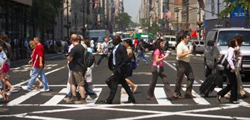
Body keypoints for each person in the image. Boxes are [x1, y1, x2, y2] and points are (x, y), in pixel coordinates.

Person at [100, 36, 136, 104]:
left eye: (113, 40)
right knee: (125, 85)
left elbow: (126, 59)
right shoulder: (115, 47)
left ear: (117, 41)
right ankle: (132, 98)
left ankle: (109, 100)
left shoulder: (121, 48)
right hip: (116, 68)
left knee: (111, 82)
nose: (112, 41)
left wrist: (120, 67)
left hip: (119, 69)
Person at [66, 34, 87, 104]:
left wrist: (67, 57)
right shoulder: (81, 47)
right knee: (72, 83)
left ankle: (83, 98)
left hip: (77, 68)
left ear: (71, 40)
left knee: (80, 83)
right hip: (79, 67)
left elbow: (70, 58)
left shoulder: (74, 48)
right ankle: (74, 97)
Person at [174, 31, 195, 99]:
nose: (189, 39)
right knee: (179, 79)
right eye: (187, 38)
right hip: (181, 63)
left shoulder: (186, 45)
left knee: (191, 77)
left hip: (186, 63)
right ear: (183, 38)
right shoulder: (180, 45)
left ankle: (188, 92)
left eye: (189, 38)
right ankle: (177, 93)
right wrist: (188, 52)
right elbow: (179, 55)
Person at [217, 38, 238, 104]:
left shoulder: (229, 49)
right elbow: (229, 59)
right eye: (235, 41)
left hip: (227, 69)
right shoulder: (231, 49)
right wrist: (233, 67)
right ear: (233, 43)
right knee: (234, 84)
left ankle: (220, 94)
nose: (236, 42)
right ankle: (233, 99)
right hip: (229, 69)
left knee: (231, 83)